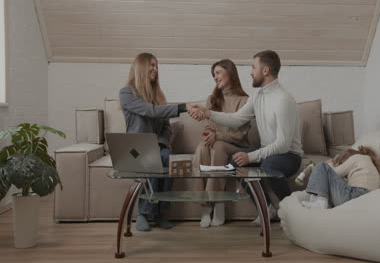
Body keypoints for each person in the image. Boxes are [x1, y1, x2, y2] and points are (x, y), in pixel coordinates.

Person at [189, 50, 303, 226]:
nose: (251, 72)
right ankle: (265, 208)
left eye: (253, 67)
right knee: (235, 163)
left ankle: (291, 211)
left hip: (288, 155)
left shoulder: (283, 99)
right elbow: (236, 120)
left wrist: (251, 156)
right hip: (267, 153)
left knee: (268, 165)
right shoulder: (257, 96)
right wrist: (207, 113)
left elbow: (282, 145)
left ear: (265, 71)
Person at [119, 52, 189, 231]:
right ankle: (144, 212)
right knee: (150, 158)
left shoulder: (159, 96)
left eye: (156, 66)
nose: (155, 69)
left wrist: (161, 143)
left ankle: (161, 212)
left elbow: (166, 127)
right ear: (141, 67)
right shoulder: (127, 93)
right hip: (135, 148)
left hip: (156, 146)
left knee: (168, 157)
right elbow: (149, 111)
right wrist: (183, 107)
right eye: (151, 65)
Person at [192, 59, 250, 228]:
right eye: (213, 74)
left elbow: (240, 134)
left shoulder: (244, 100)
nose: (215, 77)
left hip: (236, 146)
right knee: (203, 146)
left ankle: (218, 203)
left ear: (230, 72)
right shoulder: (213, 99)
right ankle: (205, 207)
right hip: (216, 144)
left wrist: (218, 136)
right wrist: (209, 134)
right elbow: (209, 126)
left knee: (217, 145)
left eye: (218, 72)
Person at [300, 146, 380, 209]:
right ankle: (321, 202)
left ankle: (320, 203)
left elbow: (335, 172)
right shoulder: (370, 166)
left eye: (342, 163)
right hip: (365, 201)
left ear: (347, 159)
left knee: (322, 166)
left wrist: (330, 165)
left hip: (354, 196)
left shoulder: (356, 158)